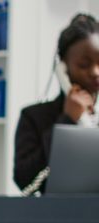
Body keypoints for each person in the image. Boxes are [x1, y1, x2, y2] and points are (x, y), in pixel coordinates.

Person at [14, 13, 99, 194]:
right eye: (84, 64)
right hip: (57, 216)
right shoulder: (34, 117)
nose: (95, 72)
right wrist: (67, 120)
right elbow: (25, 180)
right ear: (63, 68)